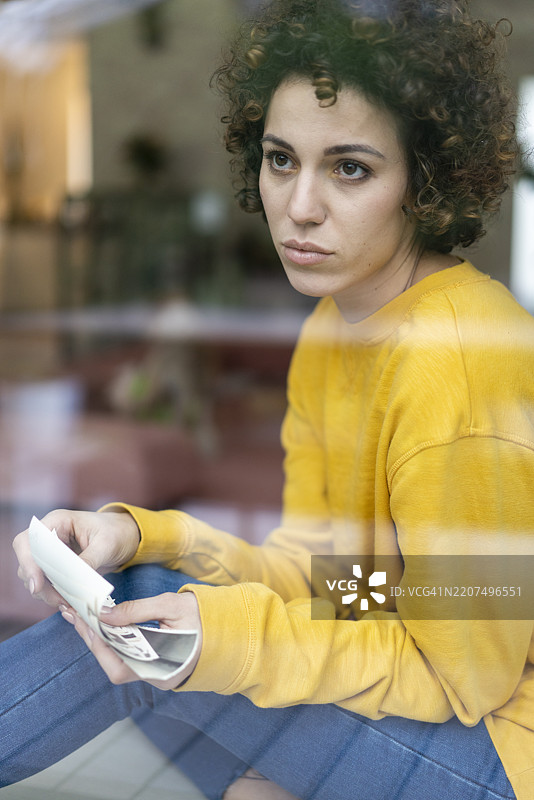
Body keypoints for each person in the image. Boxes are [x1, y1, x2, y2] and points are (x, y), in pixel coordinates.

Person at [3, 0, 533, 798]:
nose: (300, 205)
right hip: (421, 705)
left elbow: (470, 674)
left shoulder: (455, 360)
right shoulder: (333, 328)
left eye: (350, 168)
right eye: (282, 159)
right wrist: (142, 533)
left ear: (423, 183)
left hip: (500, 749)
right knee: (150, 614)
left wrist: (227, 637)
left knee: (151, 625)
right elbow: (326, 578)